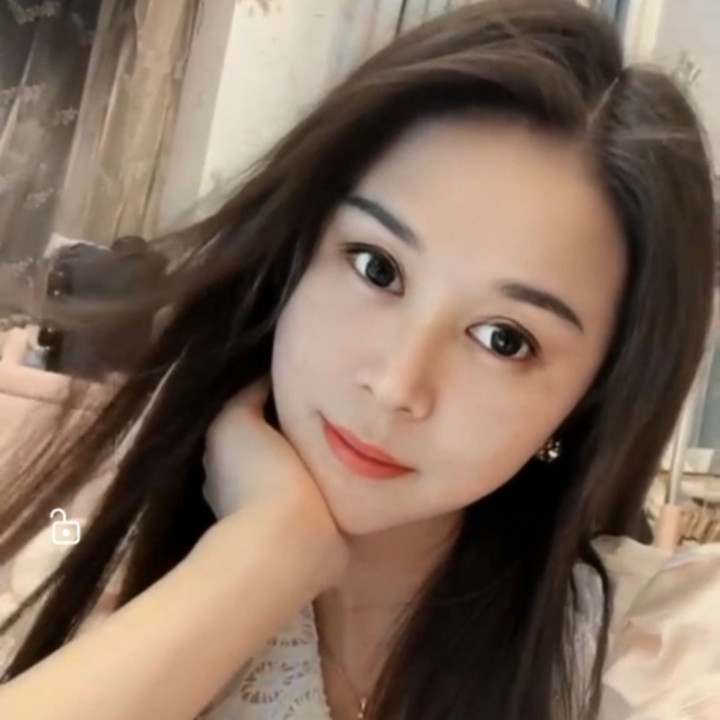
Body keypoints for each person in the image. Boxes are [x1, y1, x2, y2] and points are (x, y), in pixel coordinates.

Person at [0, 1, 718, 718]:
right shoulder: (83, 535)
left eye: (504, 340)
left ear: (589, 396)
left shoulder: (649, 655)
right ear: (297, 252)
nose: (397, 383)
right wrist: (259, 559)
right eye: (377, 268)